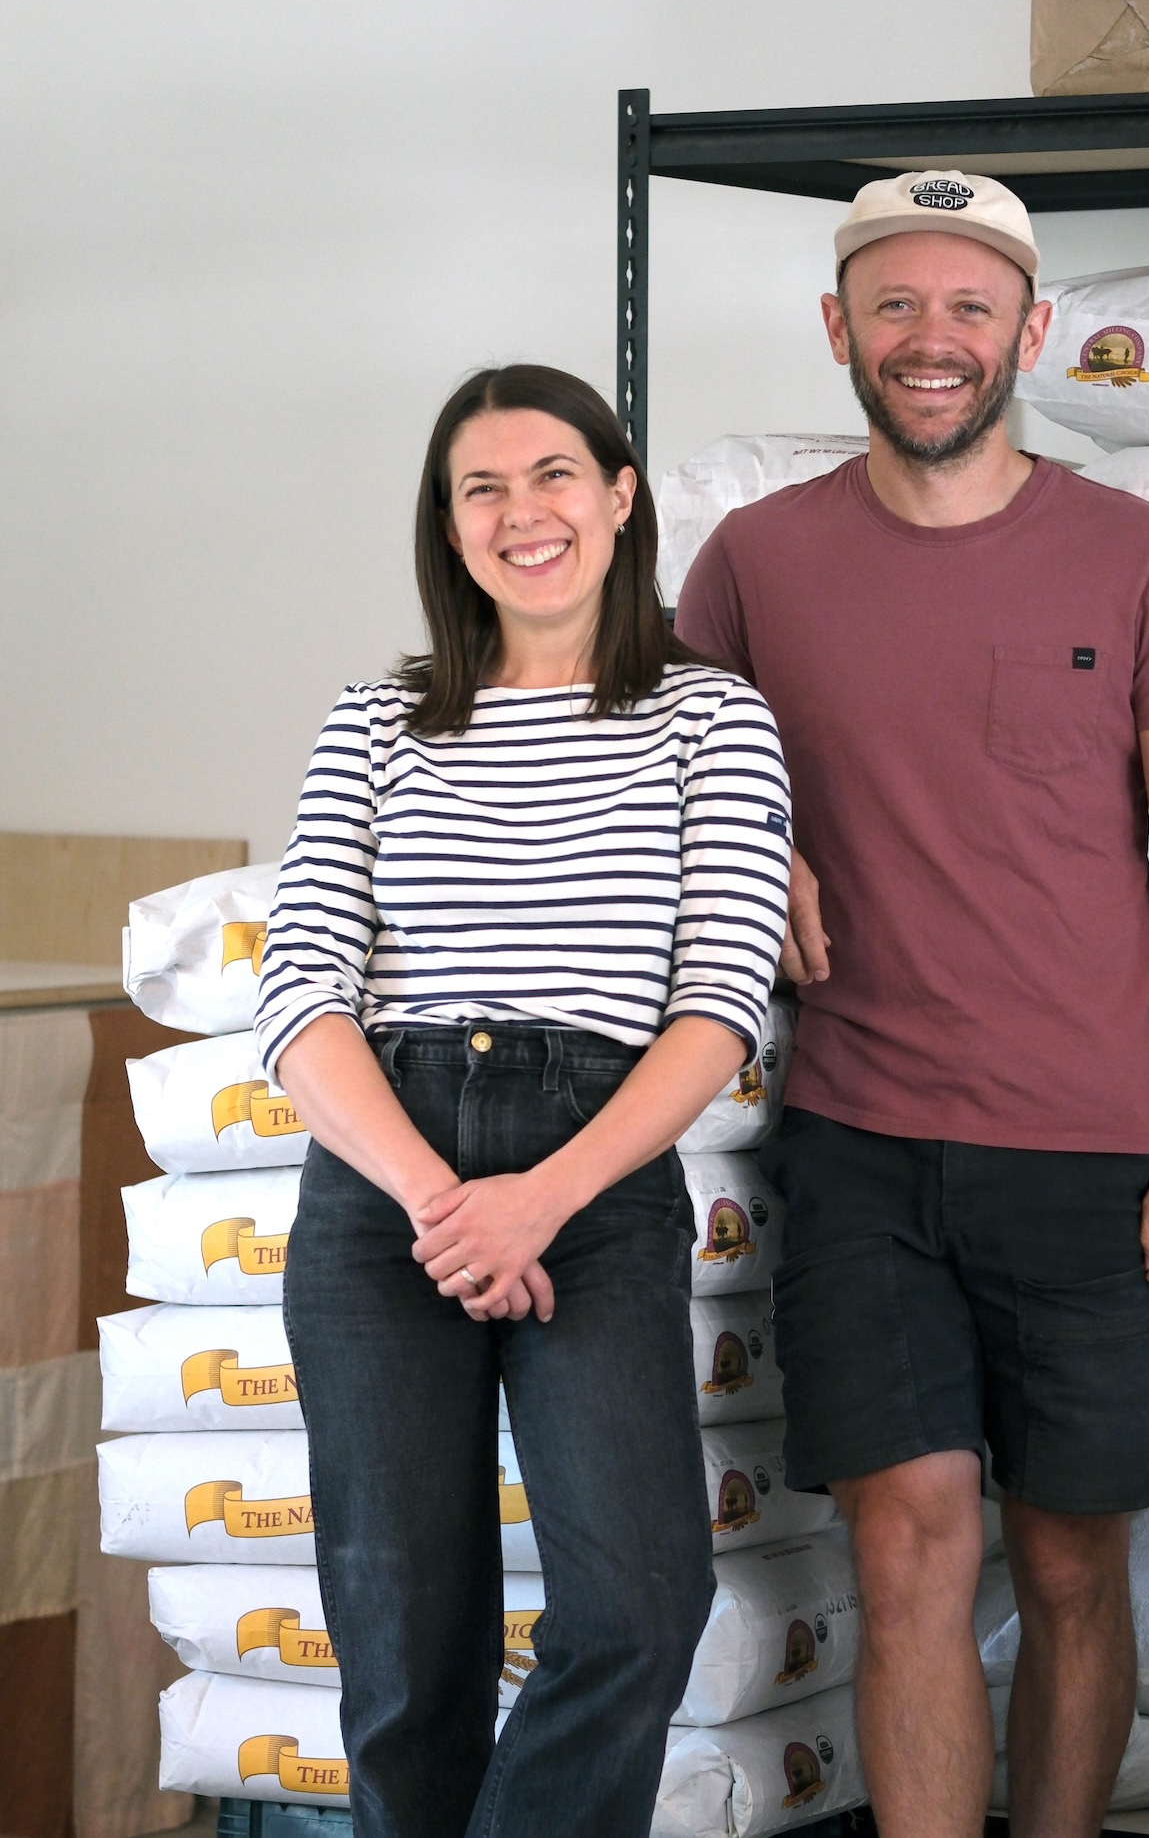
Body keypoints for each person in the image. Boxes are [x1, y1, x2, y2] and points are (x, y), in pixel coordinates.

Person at [676, 172, 1149, 1838]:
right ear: (840, 329)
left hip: (1089, 1145)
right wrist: (752, 848)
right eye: (896, 307)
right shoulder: (754, 561)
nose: (932, 341)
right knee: (908, 1542)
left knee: (1075, 1555)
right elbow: (674, 778)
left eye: (968, 309)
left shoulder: (1139, 558)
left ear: (1029, 332)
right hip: (857, 1136)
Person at [256, 364, 791, 1838]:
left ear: (621, 498)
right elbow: (301, 991)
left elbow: (717, 1003)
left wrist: (537, 1197)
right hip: (385, 1182)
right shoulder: (376, 720)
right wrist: (444, 1203)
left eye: (554, 474)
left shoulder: (711, 720)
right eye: (480, 487)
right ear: (448, 525)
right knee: (404, 1644)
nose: (522, 513)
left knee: (637, 1602)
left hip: (597, 1172)